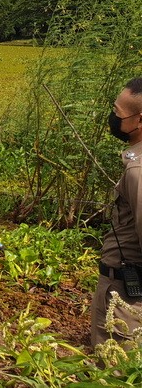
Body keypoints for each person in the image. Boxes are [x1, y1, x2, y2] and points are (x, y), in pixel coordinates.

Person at [91, 77, 142, 347]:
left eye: (117, 113)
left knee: (114, 367)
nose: (113, 118)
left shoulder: (137, 171)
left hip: (126, 295)